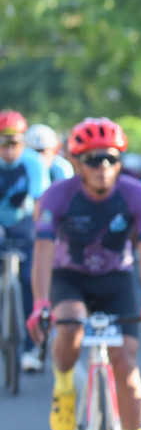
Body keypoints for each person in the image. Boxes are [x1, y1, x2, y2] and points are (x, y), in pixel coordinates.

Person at [27, 119, 141, 430]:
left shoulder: (137, 195)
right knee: (70, 326)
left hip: (116, 280)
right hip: (69, 277)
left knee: (127, 365)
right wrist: (40, 303)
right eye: (92, 160)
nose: (103, 167)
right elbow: (42, 252)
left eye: (110, 158)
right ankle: (63, 386)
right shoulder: (57, 196)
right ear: (76, 163)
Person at [0, 110, 50, 372]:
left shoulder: (33, 163)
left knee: (31, 280)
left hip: (25, 225)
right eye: (3, 143)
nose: (9, 149)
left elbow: (41, 203)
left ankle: (33, 346)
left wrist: (43, 235)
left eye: (15, 143)